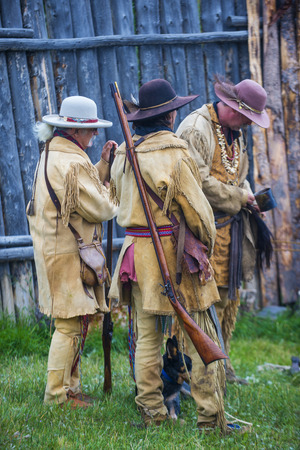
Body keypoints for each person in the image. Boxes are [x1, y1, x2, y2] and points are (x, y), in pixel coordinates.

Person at [109, 78, 234, 434]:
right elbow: (198, 212)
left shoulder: (125, 154)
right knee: (201, 332)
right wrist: (205, 245)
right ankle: (211, 418)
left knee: (147, 337)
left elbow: (116, 197)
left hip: (136, 252)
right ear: (169, 116)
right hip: (172, 255)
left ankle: (152, 412)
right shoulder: (175, 152)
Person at [176, 76, 270, 384]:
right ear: (234, 108)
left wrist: (249, 196)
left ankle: (222, 364)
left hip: (230, 230)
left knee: (229, 300)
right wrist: (241, 197)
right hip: (200, 230)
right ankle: (192, 370)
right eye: (248, 117)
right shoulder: (195, 128)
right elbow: (197, 181)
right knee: (200, 299)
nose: (249, 124)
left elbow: (237, 175)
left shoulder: (235, 132)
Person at [27, 96, 117, 408]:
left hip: (58, 250)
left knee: (76, 322)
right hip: (67, 254)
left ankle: (69, 389)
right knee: (69, 326)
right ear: (75, 132)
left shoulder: (55, 153)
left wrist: (102, 166)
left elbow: (79, 191)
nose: (94, 135)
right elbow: (101, 206)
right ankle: (56, 397)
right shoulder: (72, 163)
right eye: (90, 130)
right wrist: (114, 188)